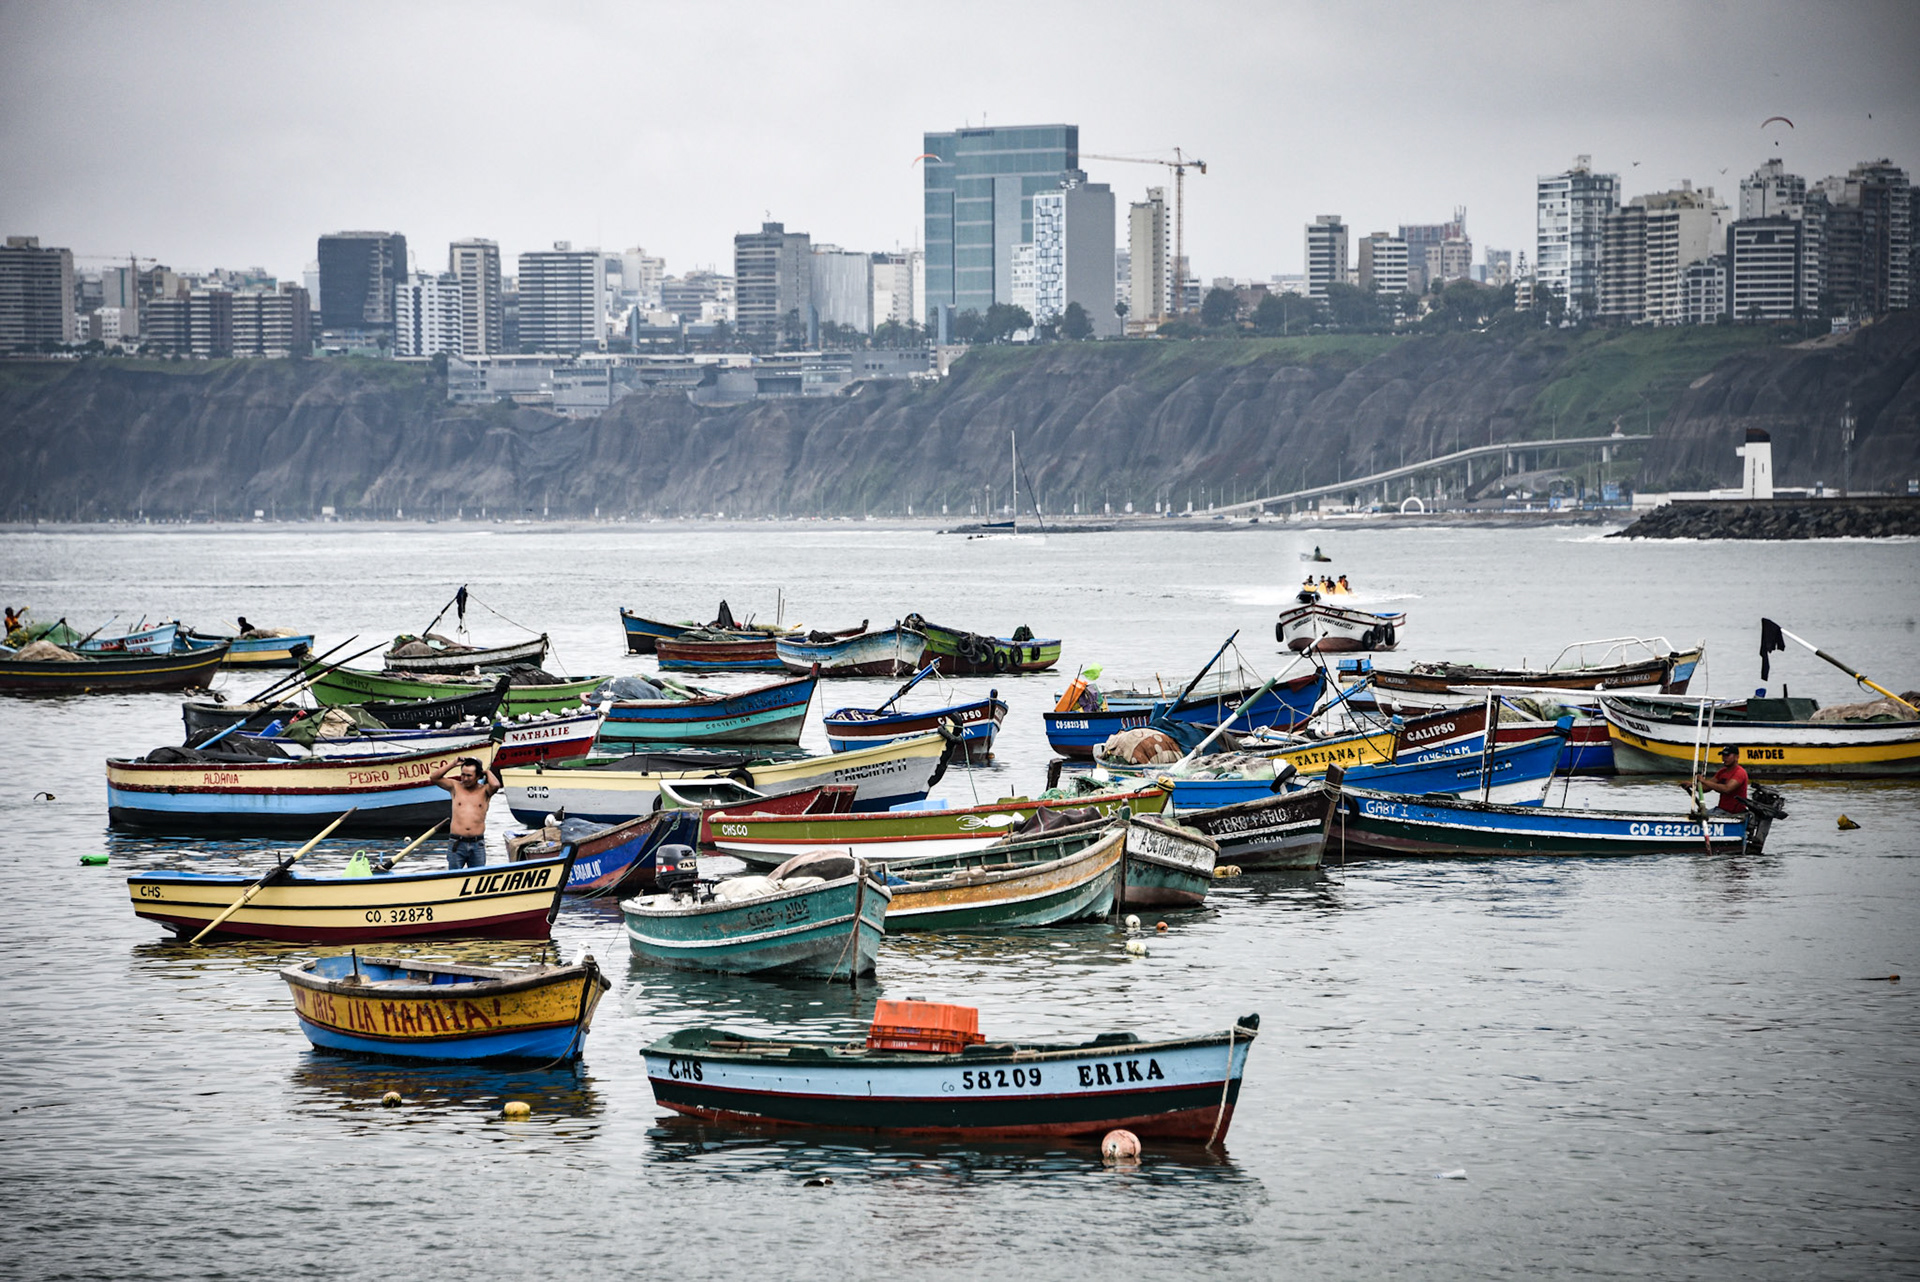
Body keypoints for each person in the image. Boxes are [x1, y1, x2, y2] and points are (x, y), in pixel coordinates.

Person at [431, 755, 502, 868]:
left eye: (469, 775)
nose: (465, 778)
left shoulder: (485, 790)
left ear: (478, 776)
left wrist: (487, 771)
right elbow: (434, 778)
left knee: (478, 878)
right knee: (454, 878)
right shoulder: (455, 786)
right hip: (457, 843)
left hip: (477, 843)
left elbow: (496, 785)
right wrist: (453, 764)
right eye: (463, 774)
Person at [1694, 745, 1749, 814]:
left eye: (1727, 756)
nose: (1724, 758)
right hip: (1721, 810)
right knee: (1696, 815)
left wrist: (1704, 781)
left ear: (1736, 757)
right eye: (1723, 756)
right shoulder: (1722, 772)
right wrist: (1692, 785)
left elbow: (1727, 789)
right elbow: (1705, 788)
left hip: (1733, 813)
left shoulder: (1740, 772)